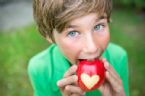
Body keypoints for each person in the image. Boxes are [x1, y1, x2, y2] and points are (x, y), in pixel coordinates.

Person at [28, 0, 129, 96]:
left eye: (98, 26)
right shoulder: (40, 69)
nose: (92, 48)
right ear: (49, 36)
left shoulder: (119, 57)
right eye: (73, 33)